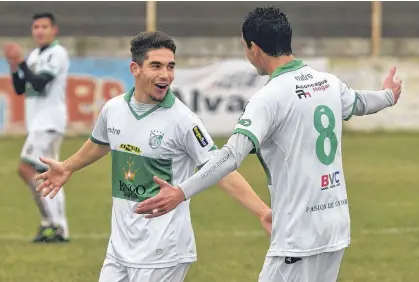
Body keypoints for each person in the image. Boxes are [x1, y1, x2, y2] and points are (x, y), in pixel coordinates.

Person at [134, 6, 403, 282]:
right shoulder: (328, 83)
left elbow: (231, 156)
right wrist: (388, 96)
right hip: (335, 228)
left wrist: (182, 191)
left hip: (299, 236)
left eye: (245, 47)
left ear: (255, 48)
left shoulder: (268, 98)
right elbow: (360, 102)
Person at [35, 31, 271, 282]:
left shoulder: (183, 120)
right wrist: (68, 166)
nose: (165, 75)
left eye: (170, 67)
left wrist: (262, 211)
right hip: (120, 248)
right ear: (135, 68)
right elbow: (100, 143)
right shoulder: (113, 109)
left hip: (163, 251)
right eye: (156, 66)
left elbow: (220, 168)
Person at [3, 12, 70, 243]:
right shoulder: (33, 55)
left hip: (49, 122)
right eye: (36, 27)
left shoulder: (57, 53)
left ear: (54, 30)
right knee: (49, 176)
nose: (39, 31)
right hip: (38, 123)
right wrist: (14, 67)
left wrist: (21, 61)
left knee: (25, 167)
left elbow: (41, 82)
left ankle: (53, 224)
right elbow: (21, 88)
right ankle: (55, 227)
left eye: (44, 26)